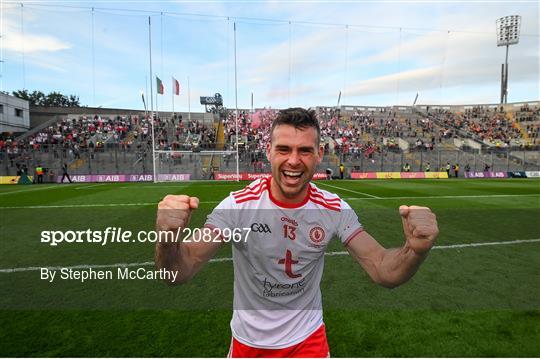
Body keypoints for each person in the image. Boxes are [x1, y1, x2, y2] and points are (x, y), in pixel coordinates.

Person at [155, 108, 439, 357]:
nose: (293, 160)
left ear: (319, 155)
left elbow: (383, 270)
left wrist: (414, 251)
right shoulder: (237, 207)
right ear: (268, 152)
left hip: (308, 341)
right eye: (283, 149)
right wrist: (166, 238)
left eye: (304, 150)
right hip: (248, 344)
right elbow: (180, 271)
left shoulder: (333, 208)